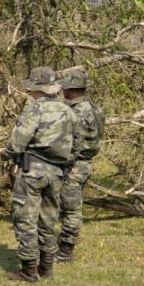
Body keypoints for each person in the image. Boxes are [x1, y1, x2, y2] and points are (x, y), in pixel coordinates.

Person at [0, 67, 80, 282]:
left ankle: (28, 271)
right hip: (57, 172)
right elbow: (78, 144)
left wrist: (4, 154)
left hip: (32, 170)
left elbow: (17, 144)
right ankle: (46, 268)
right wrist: (64, 165)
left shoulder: (34, 110)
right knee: (48, 219)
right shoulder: (68, 110)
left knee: (25, 219)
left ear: (36, 88)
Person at [56, 70, 105, 263]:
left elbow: (73, 145)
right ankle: (61, 248)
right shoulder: (93, 107)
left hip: (75, 165)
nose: (62, 90)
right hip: (84, 163)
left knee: (71, 208)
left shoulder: (78, 111)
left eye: (64, 87)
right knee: (69, 206)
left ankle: (65, 252)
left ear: (71, 88)